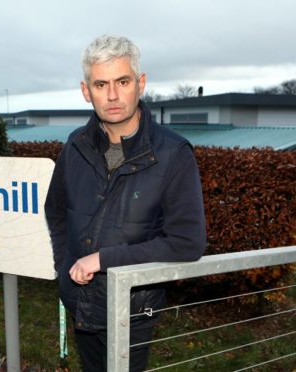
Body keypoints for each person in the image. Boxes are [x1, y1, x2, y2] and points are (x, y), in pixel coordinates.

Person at [44, 35, 206, 371]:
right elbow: (56, 211)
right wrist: (65, 267)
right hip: (80, 301)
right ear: (86, 91)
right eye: (101, 84)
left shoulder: (173, 154)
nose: (113, 95)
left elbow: (187, 242)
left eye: (123, 81)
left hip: (134, 309)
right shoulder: (75, 146)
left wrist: (103, 260)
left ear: (141, 83)